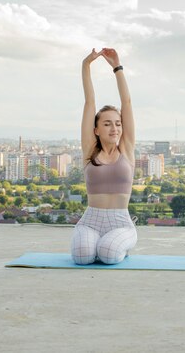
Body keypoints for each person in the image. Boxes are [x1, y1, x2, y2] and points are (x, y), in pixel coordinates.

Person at [71, 47, 137, 265]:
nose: (114, 128)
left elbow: (126, 103)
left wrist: (117, 67)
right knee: (82, 257)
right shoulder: (90, 149)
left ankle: (120, 247)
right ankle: (100, 245)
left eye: (118, 124)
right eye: (107, 124)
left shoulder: (126, 149)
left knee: (108, 253)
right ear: (96, 129)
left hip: (120, 221)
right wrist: (86, 65)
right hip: (91, 220)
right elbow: (89, 102)